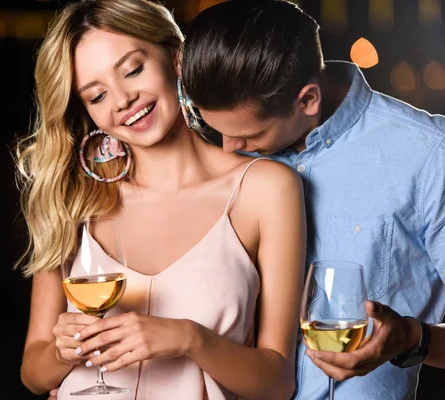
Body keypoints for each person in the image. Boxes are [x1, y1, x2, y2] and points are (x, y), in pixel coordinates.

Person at [14, 0, 306, 399]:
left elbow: (277, 383)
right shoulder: (74, 199)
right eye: (96, 96)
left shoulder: (266, 188)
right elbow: (33, 372)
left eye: (133, 69)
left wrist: (190, 339)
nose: (122, 100)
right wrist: (65, 352)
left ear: (176, 58)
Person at [180, 0, 445, 399]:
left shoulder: (428, 154)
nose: (228, 149)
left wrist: (410, 337)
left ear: (308, 100)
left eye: (249, 136)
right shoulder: (219, 151)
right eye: (215, 129)